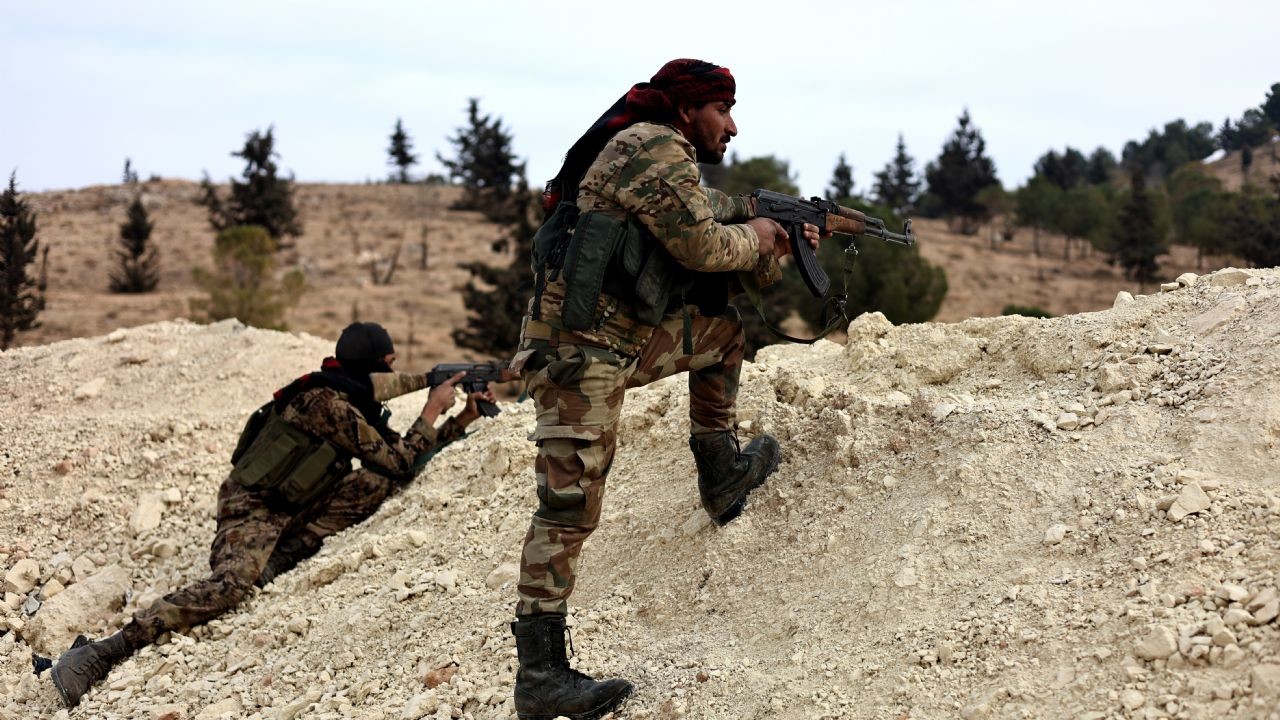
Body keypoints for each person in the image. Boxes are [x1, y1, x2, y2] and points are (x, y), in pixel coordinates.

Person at [507, 59, 825, 720]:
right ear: (689, 110)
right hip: (578, 353)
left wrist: (778, 241)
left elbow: (714, 235)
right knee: (568, 508)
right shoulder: (653, 145)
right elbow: (707, 247)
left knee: (722, 333)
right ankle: (541, 677)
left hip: (617, 339)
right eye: (723, 110)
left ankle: (723, 474)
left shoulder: (660, 153)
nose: (731, 127)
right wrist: (760, 236)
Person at [50, 322, 497, 708]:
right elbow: (399, 458)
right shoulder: (329, 404)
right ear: (369, 365)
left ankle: (278, 558)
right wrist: (432, 410)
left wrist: (461, 419)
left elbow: (396, 461)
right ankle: (101, 653)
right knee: (231, 586)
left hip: (292, 507)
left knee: (374, 483)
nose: (392, 372)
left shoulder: (348, 395)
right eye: (387, 362)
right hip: (253, 508)